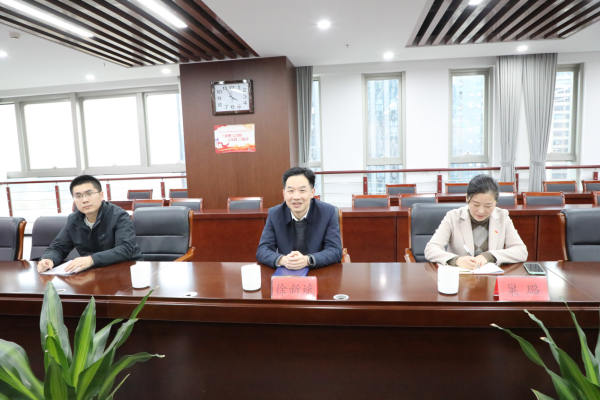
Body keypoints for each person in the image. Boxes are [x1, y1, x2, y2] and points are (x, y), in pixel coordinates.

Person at [36, 175, 143, 274]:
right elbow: (58, 247)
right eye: (78, 196)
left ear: (101, 195)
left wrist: (92, 259)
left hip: (127, 270)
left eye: (89, 194)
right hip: (95, 272)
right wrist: (48, 258)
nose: (85, 200)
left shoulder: (119, 215)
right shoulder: (73, 220)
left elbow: (125, 249)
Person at [425, 174, 527, 269]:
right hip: (460, 278)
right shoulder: (453, 217)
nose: (481, 211)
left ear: (496, 202)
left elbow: (521, 251)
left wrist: (489, 256)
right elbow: (431, 249)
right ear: (467, 198)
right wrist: (456, 260)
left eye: (488, 206)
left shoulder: (502, 216)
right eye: (476, 205)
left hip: (490, 277)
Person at [256, 167, 342, 269]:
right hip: (287, 271)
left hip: (319, 270)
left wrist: (307, 260)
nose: (296, 197)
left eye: (302, 190)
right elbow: (262, 250)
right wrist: (283, 260)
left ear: (312, 192)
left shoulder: (328, 212)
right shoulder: (275, 214)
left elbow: (335, 250)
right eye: (291, 191)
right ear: (284, 193)